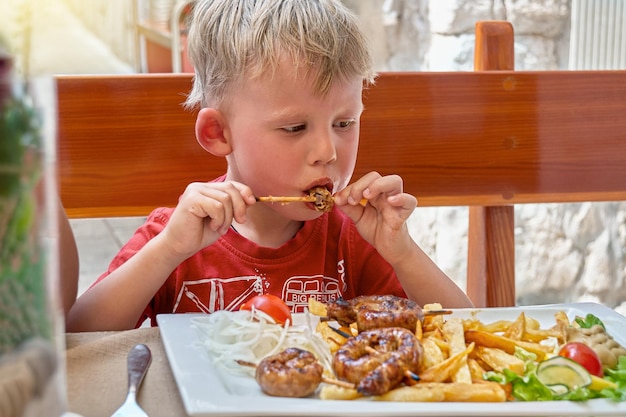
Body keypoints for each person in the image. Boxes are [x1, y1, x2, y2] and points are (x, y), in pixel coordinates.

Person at [66, 0, 472, 332]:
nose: (327, 151)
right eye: (294, 127)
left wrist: (403, 253)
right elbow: (80, 337)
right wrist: (167, 251)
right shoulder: (178, 237)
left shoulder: (354, 239)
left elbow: (467, 329)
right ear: (218, 133)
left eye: (345, 123)